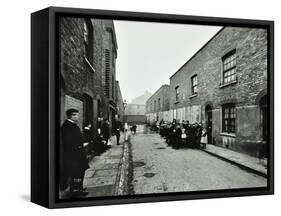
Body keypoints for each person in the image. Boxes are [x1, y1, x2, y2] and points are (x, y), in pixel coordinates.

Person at [61, 108, 89, 196]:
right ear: (70, 116)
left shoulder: (71, 125)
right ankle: (76, 190)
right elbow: (68, 142)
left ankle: (79, 187)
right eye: (75, 115)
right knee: (77, 172)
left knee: (79, 171)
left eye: (77, 115)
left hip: (77, 153)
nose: (77, 116)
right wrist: (80, 146)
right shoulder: (68, 126)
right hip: (75, 155)